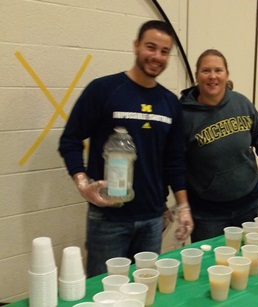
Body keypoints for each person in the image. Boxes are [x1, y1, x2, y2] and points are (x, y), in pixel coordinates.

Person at [59, 20, 193, 277]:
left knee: (143, 291)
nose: (157, 56)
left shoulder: (170, 103)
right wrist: (82, 183)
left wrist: (184, 207)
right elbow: (70, 140)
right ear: (136, 46)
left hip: (154, 219)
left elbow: (174, 161)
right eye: (151, 47)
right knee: (104, 294)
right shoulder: (104, 90)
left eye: (164, 51)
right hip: (109, 219)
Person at [180, 49, 258, 242]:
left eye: (218, 70)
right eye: (206, 70)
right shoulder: (184, 115)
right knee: (212, 266)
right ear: (196, 75)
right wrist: (181, 205)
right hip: (208, 215)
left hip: (251, 202)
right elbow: (175, 164)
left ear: (227, 75)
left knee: (252, 260)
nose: (212, 76)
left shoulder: (241, 102)